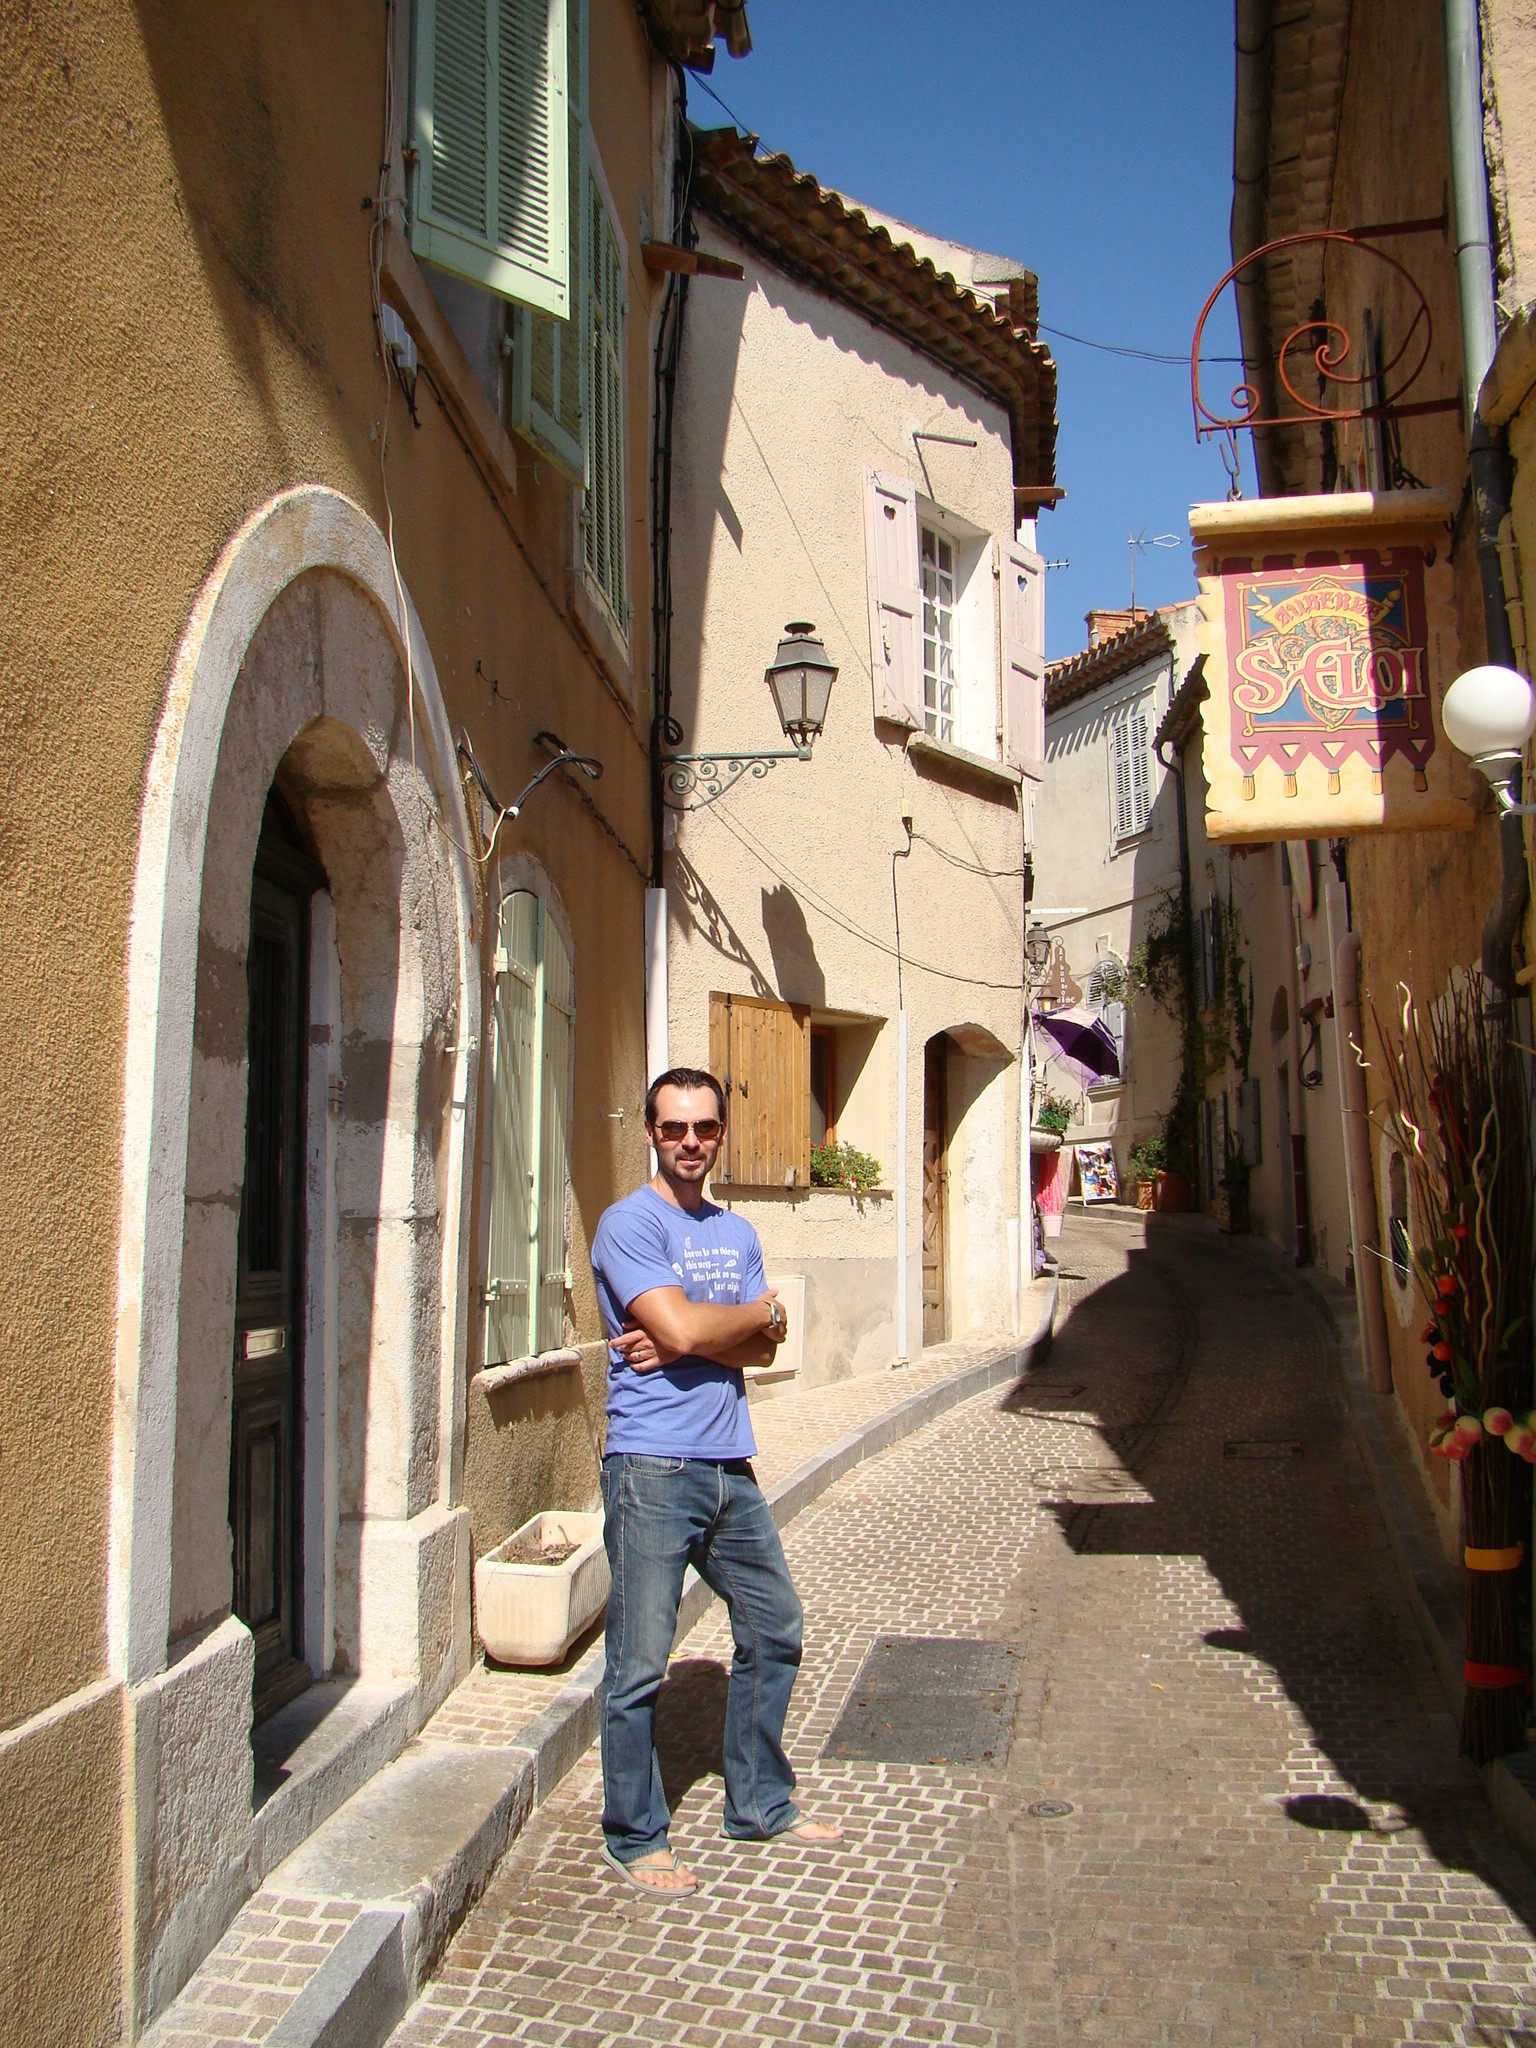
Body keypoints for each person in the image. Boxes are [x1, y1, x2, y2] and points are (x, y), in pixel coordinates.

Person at [590, 1066, 844, 1896]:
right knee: (639, 1661)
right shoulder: (628, 1224)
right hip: (651, 1465)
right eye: (674, 1128)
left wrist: (713, 1331)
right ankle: (635, 1836)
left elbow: (764, 1347)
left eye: (704, 1128)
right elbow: (701, 1326)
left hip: (729, 1460)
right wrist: (724, 1323)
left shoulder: (736, 1233)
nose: (690, 1142)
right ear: (652, 1134)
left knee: (775, 1625)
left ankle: (760, 1804)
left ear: (721, 1134)